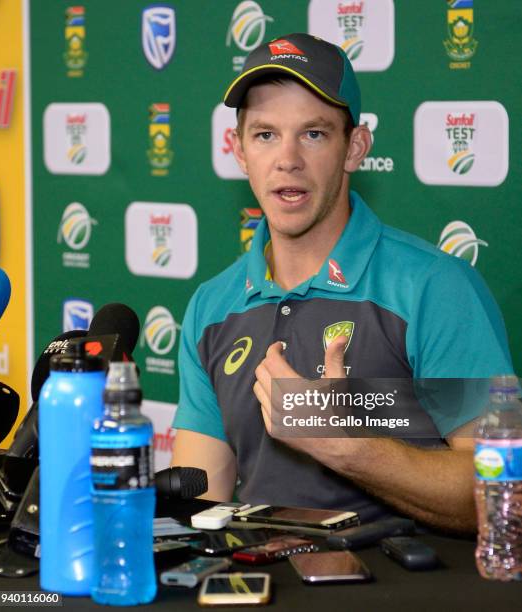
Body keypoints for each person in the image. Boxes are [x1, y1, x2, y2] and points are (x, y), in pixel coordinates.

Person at [170, 33, 513, 531]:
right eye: (265, 134)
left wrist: (347, 445)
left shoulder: (434, 287)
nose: (287, 158)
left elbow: (503, 493)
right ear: (239, 151)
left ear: (355, 147)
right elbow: (201, 499)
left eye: (313, 133)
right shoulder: (212, 305)